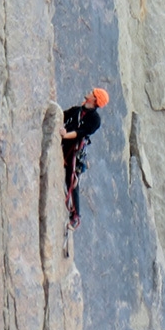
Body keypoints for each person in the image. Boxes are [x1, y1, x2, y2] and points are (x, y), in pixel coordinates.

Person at [61, 88, 109, 228]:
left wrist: (65, 135)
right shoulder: (78, 110)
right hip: (65, 144)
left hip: (74, 150)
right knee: (69, 178)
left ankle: (76, 216)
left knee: (72, 180)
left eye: (92, 93)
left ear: (94, 99)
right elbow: (63, 115)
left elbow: (81, 133)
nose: (89, 92)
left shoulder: (95, 120)